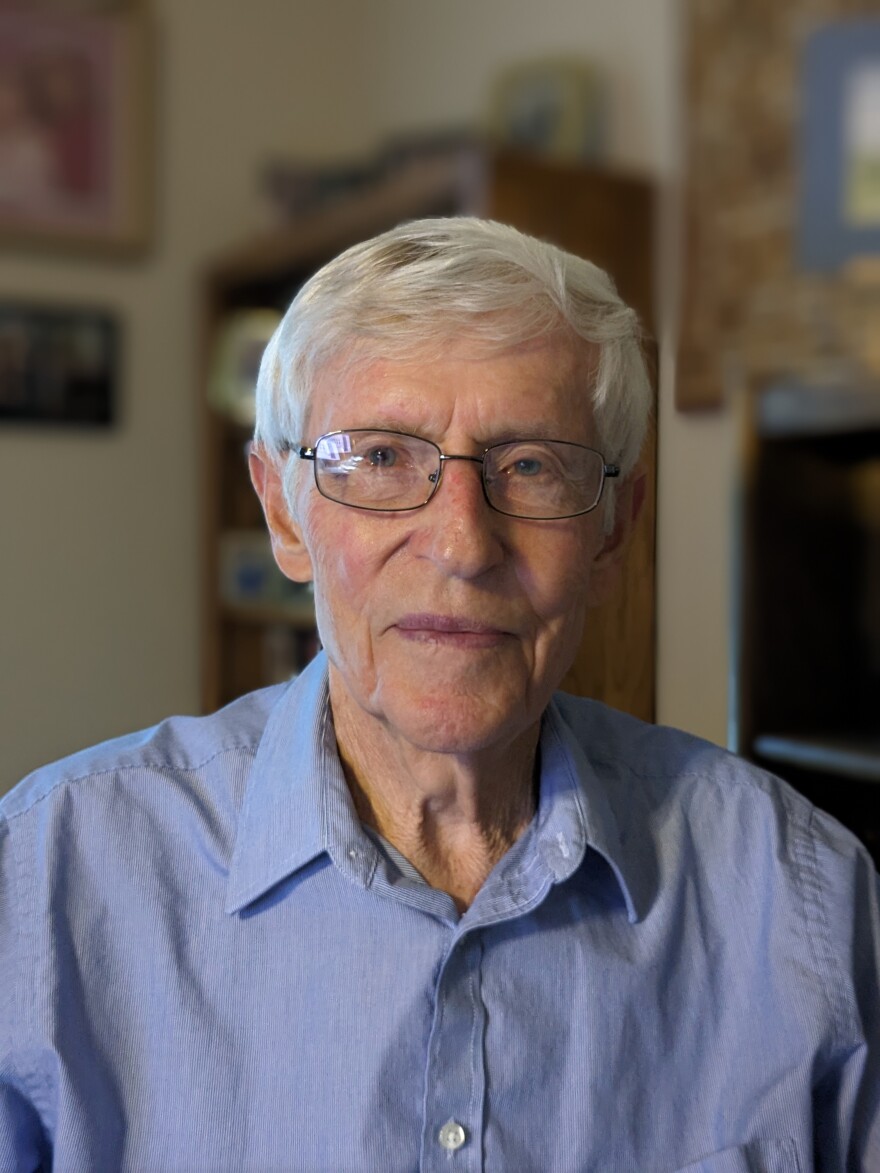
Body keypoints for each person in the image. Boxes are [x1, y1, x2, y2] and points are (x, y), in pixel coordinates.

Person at [1, 218, 878, 1172]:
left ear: (617, 531)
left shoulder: (804, 900)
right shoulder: (49, 886)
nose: (462, 543)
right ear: (281, 511)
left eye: (532, 465)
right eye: (380, 458)